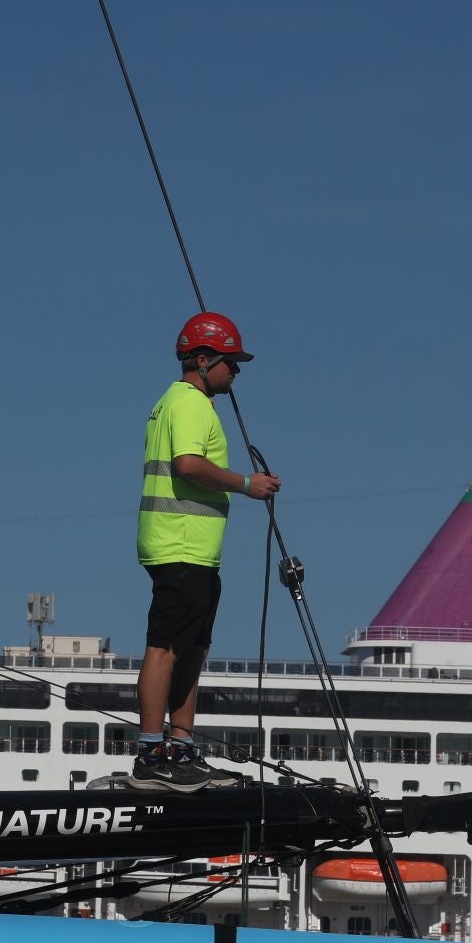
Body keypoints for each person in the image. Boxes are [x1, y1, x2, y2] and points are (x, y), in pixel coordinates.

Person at [131, 312, 281, 792]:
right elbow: (188, 465)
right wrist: (245, 484)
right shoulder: (190, 404)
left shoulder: (176, 404)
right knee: (167, 647)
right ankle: (153, 751)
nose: (235, 373)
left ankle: (180, 747)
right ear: (203, 360)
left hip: (194, 550)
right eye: (231, 363)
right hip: (179, 546)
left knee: (193, 649)